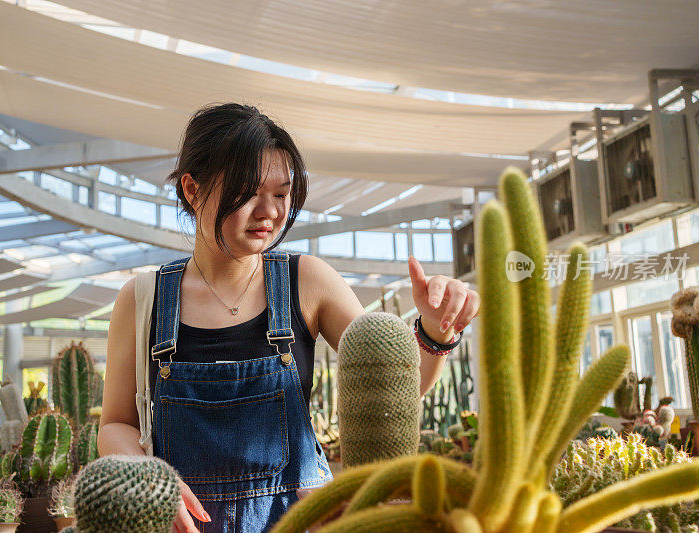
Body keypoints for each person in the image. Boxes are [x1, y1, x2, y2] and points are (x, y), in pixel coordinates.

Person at [99, 103, 480, 533]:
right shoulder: (144, 298)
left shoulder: (307, 281)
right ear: (192, 189)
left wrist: (434, 329)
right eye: (248, 193)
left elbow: (392, 385)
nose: (269, 213)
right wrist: (150, 481)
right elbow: (114, 425)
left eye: (281, 194)